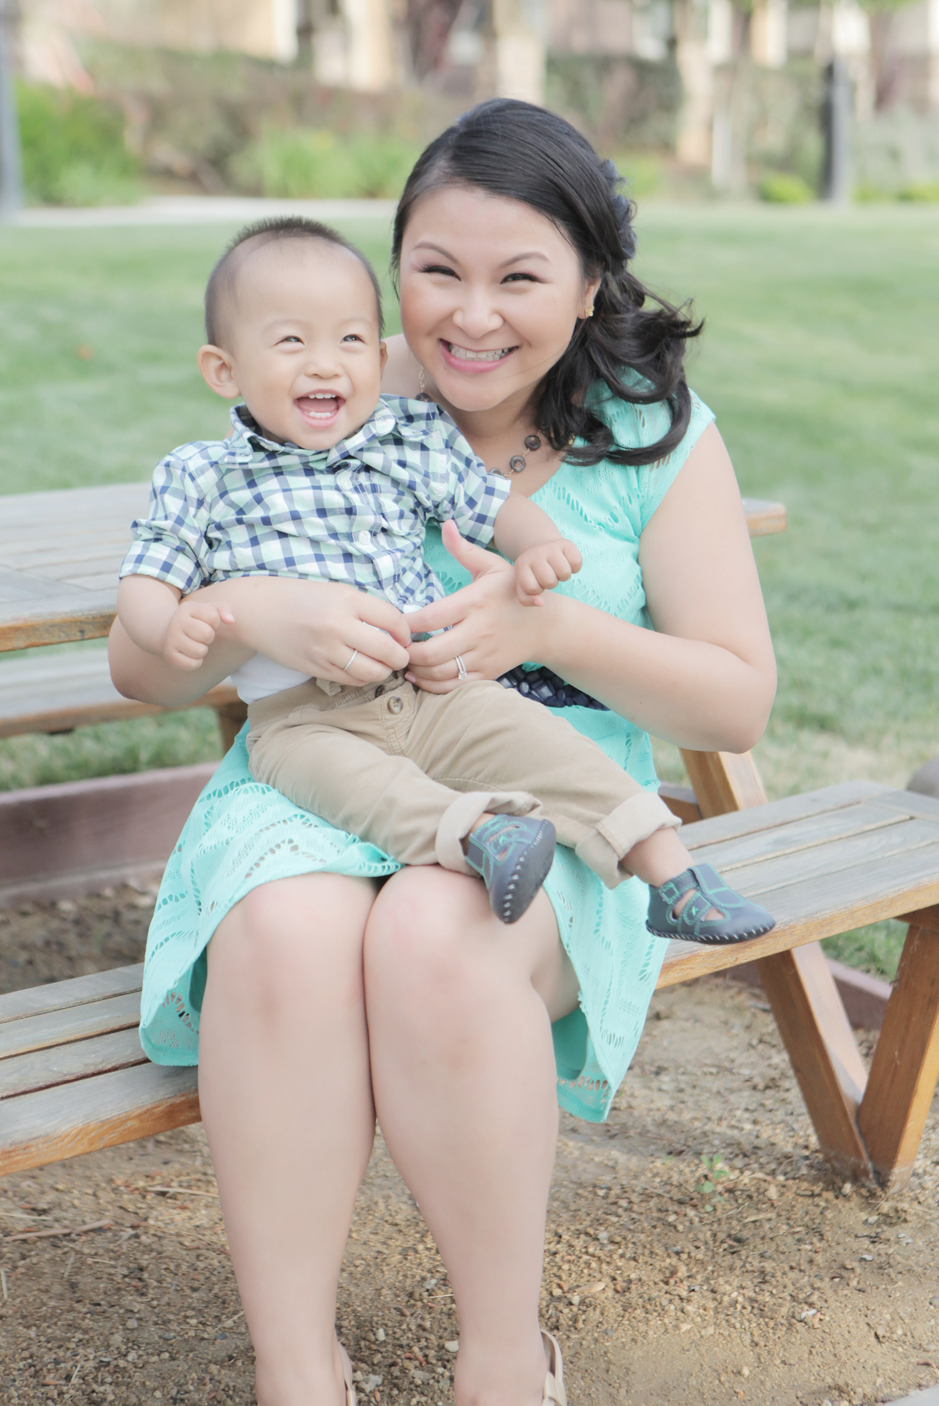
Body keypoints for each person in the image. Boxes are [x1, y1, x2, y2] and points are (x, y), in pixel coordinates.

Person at [109, 99, 777, 1406]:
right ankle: (296, 1369)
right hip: (322, 759)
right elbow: (145, 664)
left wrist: (549, 622)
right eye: (435, 271)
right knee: (285, 930)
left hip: (536, 764)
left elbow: (733, 704)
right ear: (392, 262)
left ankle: (500, 1358)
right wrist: (257, 614)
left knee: (438, 925)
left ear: (588, 285)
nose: (470, 316)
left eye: (518, 277)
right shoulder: (327, 395)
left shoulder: (650, 433)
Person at [117, 217, 774, 939]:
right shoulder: (202, 475)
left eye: (349, 341)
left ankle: (675, 877)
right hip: (303, 715)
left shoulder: (401, 438)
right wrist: (176, 623)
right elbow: (150, 576)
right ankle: (480, 837)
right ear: (223, 370)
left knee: (541, 745)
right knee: (365, 790)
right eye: (291, 342)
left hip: (431, 688)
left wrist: (539, 548)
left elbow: (497, 505)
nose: (325, 365)